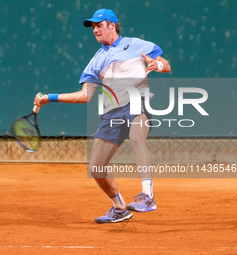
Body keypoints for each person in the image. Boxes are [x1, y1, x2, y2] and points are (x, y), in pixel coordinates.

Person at [34, 9, 171, 224]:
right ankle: (120, 208)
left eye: (99, 25)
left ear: (113, 25)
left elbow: (166, 65)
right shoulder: (96, 60)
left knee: (137, 138)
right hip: (112, 112)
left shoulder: (135, 45)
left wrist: (157, 64)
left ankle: (148, 196)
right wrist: (49, 98)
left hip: (138, 101)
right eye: (93, 27)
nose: (95, 29)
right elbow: (84, 95)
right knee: (96, 167)